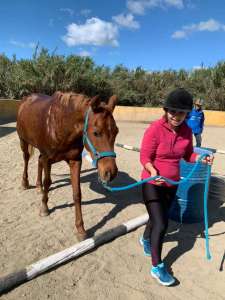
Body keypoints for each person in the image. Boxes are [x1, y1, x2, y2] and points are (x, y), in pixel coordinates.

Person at [139, 88, 213, 286]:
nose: (176, 116)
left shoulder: (187, 131)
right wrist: (152, 170)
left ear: (187, 113)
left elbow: (187, 154)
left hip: (172, 185)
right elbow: (144, 157)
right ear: (166, 110)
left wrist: (200, 158)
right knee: (162, 224)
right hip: (152, 183)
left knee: (157, 218)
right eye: (172, 112)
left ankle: (145, 240)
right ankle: (157, 267)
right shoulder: (154, 129)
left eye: (181, 113)